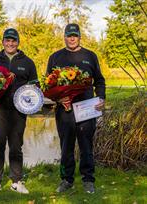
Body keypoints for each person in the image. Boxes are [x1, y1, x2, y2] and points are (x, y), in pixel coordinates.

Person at [46, 23, 105, 194]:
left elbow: (99, 81)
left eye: (75, 35)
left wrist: (101, 97)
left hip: (87, 107)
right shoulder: (55, 57)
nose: (72, 38)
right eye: (69, 35)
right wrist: (58, 98)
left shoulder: (90, 56)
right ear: (64, 36)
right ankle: (66, 179)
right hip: (64, 110)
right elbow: (49, 84)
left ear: (80, 37)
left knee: (86, 145)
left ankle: (88, 180)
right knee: (66, 146)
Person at [0, 28, 38, 195]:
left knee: (16, 147)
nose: (10, 43)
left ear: (18, 42)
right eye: (7, 40)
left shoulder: (28, 62)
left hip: (18, 112)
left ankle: (16, 181)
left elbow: (35, 86)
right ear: (3, 42)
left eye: (13, 40)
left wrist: (32, 101)